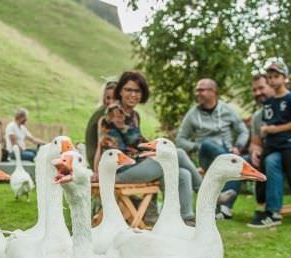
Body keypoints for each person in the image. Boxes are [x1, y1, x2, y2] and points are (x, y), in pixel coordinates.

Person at [97, 71, 202, 225]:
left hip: (135, 165)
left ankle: (186, 219)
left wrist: (156, 149)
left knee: (183, 174)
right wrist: (160, 148)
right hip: (119, 170)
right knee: (176, 154)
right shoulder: (115, 111)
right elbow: (137, 142)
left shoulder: (134, 115)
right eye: (128, 90)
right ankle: (203, 188)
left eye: (137, 91)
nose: (133, 94)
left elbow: (138, 145)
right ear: (120, 91)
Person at [176, 78, 249, 219]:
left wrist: (238, 146)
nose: (197, 93)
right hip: (206, 156)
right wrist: (197, 146)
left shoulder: (227, 110)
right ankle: (225, 203)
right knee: (210, 146)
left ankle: (225, 209)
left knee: (241, 160)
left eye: (201, 90)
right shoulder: (192, 114)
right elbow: (180, 140)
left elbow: (243, 131)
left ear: (213, 92)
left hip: (226, 150)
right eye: (197, 90)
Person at [248, 60, 291, 228]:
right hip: (273, 147)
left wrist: (273, 129)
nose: (272, 80)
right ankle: (272, 211)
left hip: (287, 145)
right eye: (270, 77)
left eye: (276, 76)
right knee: (269, 162)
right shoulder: (267, 104)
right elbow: (259, 133)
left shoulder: (289, 98)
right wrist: (257, 148)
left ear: (285, 78)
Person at [84, 80, 117, 165]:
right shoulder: (106, 114)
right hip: (97, 159)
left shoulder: (105, 110)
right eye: (108, 98)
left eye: (115, 98)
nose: (111, 102)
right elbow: (102, 144)